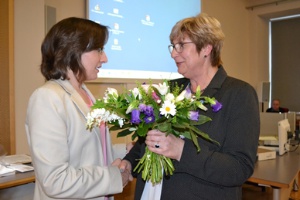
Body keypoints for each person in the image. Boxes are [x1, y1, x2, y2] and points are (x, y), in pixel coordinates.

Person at [119, 13, 260, 200]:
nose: (173, 53)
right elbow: (149, 140)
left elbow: (239, 168)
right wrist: (129, 163)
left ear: (207, 48)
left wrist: (181, 151)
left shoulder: (239, 94)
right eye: (173, 46)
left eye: (181, 46)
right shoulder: (169, 89)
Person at [25, 17, 131, 200]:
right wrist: (114, 177)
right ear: (73, 50)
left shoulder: (85, 93)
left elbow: (93, 151)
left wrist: (127, 150)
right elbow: (55, 181)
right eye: (99, 50)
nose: (104, 58)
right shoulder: (48, 98)